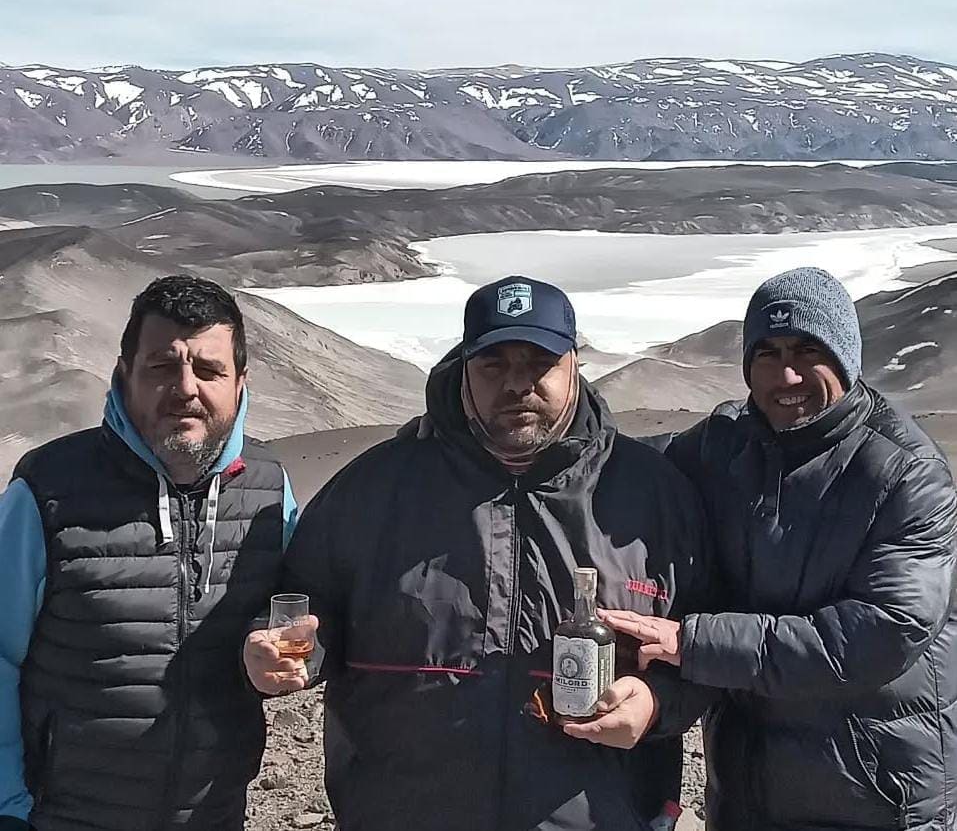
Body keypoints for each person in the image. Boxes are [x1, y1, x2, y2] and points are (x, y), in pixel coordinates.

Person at [245, 275, 714, 831]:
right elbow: (304, 604)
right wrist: (285, 652)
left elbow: (706, 642)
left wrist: (657, 703)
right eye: (494, 365)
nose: (517, 384)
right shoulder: (373, 488)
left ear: (575, 365)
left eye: (539, 363)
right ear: (463, 368)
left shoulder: (653, 495)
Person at [603, 267, 957, 830]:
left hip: (872, 798)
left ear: (846, 357)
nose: (786, 374)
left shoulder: (905, 475)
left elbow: (880, 634)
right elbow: (620, 463)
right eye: (767, 353)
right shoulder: (724, 446)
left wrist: (692, 642)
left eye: (808, 350)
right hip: (746, 795)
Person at [0, 275, 297, 831]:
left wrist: (276, 646)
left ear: (241, 383)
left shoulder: (270, 490)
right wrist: (7, 807)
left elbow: (301, 608)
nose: (185, 388)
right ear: (123, 375)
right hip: (66, 817)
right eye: (162, 366)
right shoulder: (47, 491)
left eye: (209, 370)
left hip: (212, 816)